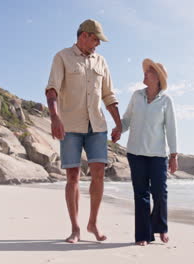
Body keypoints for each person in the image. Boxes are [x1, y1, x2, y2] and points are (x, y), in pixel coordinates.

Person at [45, 19, 122, 243]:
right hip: (70, 125)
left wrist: (117, 124)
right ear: (84, 36)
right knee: (73, 176)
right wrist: (55, 118)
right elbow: (52, 90)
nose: (98, 43)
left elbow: (109, 96)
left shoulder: (101, 61)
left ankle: (93, 223)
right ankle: (75, 228)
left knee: (99, 173)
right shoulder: (62, 57)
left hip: (97, 125)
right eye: (96, 39)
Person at [115, 58, 178, 246]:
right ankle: (143, 235)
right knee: (140, 194)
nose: (145, 73)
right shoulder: (136, 96)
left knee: (160, 193)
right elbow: (127, 119)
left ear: (157, 78)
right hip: (136, 152)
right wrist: (119, 129)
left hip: (158, 155)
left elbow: (171, 128)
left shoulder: (166, 101)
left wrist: (174, 155)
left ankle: (161, 227)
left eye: (149, 71)